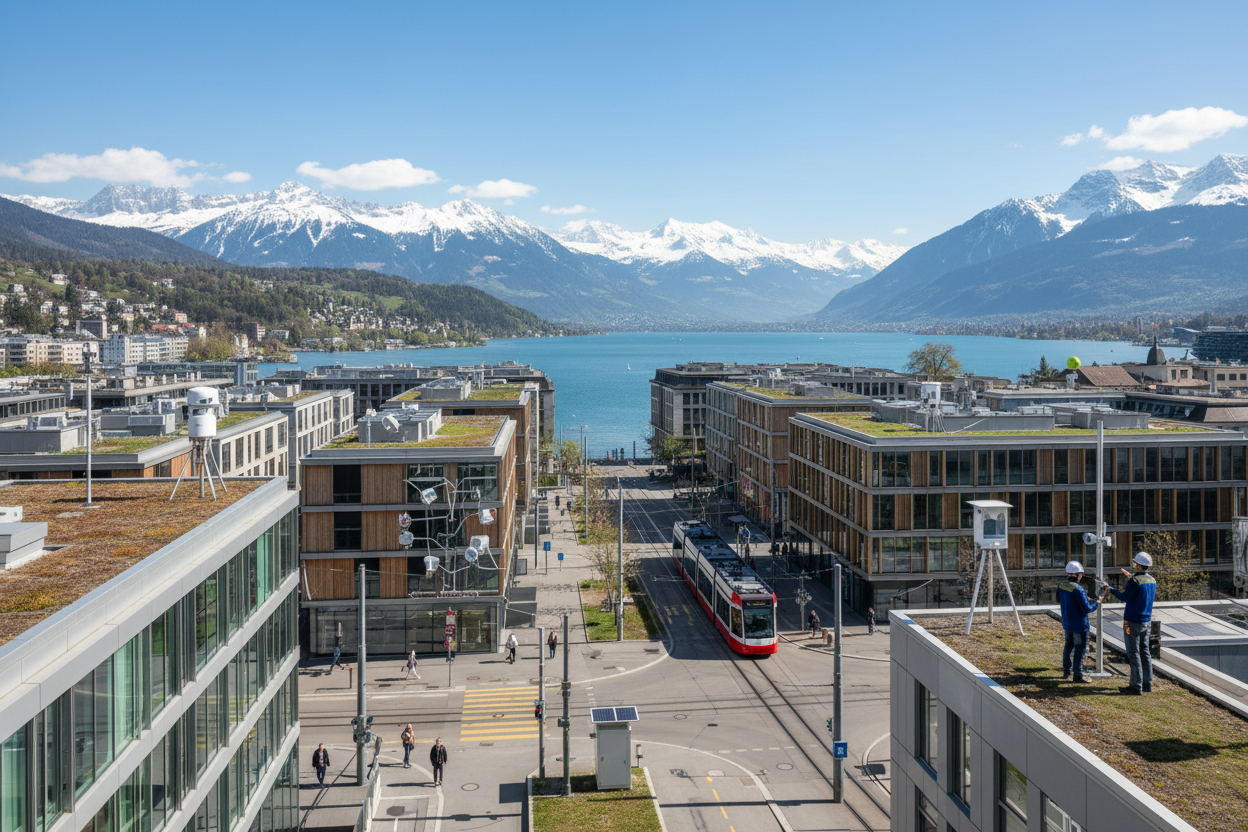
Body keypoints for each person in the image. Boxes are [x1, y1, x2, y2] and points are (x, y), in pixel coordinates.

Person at [1104, 552, 1157, 695]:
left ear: (1139, 566)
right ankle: (1147, 684)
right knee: (1145, 653)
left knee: (1134, 654)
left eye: (1135, 563)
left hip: (1132, 622)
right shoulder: (1152, 580)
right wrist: (1131, 577)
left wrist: (1109, 588)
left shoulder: (1134, 582)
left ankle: (1135, 686)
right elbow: (1141, 590)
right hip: (1146, 621)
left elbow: (1124, 597)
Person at [1058, 561, 1103, 683]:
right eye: (1081, 574)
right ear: (1077, 575)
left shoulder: (1061, 585)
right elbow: (1087, 609)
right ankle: (1078, 675)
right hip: (1080, 625)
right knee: (1080, 649)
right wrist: (1097, 603)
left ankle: (1066, 671)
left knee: (1068, 646)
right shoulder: (1078, 590)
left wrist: (1083, 599)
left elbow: (1060, 598)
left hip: (1067, 623)